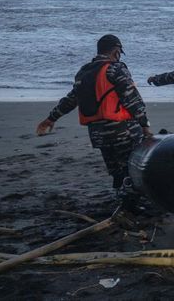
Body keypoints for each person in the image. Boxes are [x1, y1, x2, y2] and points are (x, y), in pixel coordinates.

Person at [36, 34, 153, 195]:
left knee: (115, 169)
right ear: (117, 51)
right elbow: (131, 99)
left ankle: (120, 197)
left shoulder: (84, 72)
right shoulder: (115, 68)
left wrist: (51, 118)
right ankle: (131, 203)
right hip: (122, 131)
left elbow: (71, 99)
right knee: (131, 167)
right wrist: (145, 125)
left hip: (98, 133)